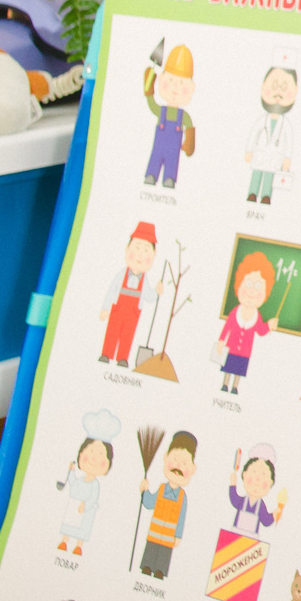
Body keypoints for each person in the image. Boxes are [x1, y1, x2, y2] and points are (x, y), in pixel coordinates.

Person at [56, 413, 118, 556]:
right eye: (90, 451)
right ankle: (64, 541)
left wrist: (86, 505)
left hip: (85, 509)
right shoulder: (80, 480)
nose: (94, 457)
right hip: (74, 504)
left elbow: (93, 498)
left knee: (82, 529)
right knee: (69, 525)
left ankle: (78, 546)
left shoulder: (94, 484)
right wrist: (71, 471)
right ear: (81, 454)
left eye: (101, 454)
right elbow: (72, 483)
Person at [138, 431, 197, 579]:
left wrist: (177, 535)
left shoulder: (182, 497)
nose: (179, 467)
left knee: (164, 554)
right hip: (154, 532)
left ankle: (160, 571)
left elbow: (181, 518)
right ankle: (147, 567)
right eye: (175, 459)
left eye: (184, 463)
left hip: (168, 536)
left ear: (193, 469)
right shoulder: (162, 489)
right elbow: (149, 503)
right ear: (165, 457)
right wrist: (144, 492)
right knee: (151, 550)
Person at [100, 224, 158, 367]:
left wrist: (157, 291)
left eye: (146, 250)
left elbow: (149, 297)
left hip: (133, 312)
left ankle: (123, 358)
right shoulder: (121, 275)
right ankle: (106, 354)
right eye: (137, 248)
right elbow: (112, 290)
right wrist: (105, 307)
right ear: (127, 249)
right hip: (118, 307)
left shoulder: (144, 280)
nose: (140, 254)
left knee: (128, 335)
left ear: (153, 256)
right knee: (112, 331)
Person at [217, 253, 276, 393]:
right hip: (231, 348)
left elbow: (261, 330)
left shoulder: (257, 316)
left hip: (244, 352)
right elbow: (227, 327)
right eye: (248, 283)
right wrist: (221, 341)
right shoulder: (235, 312)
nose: (252, 290)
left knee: (238, 370)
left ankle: (235, 387)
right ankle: (225, 384)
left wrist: (269, 325)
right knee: (229, 367)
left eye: (258, 285)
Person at [243, 60, 298, 206]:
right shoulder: (263, 119)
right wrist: (249, 151)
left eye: (284, 87)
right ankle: (252, 193)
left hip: (275, 156)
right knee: (257, 173)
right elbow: (254, 133)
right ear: (263, 88)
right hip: (260, 153)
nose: (278, 92)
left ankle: (266, 195)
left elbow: (289, 140)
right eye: (274, 86)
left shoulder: (285, 123)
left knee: (269, 175)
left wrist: (287, 158)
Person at [143, 42, 196, 188]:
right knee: (156, 157)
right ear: (161, 80)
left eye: (181, 83)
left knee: (172, 161)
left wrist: (189, 142)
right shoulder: (161, 111)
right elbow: (152, 105)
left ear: (191, 88)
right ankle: (151, 175)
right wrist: (148, 90)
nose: (175, 88)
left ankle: (169, 179)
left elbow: (190, 126)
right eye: (171, 80)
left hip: (174, 147)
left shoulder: (183, 116)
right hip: (159, 146)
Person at [224, 446, 284, 535]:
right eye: (254, 472)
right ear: (244, 474)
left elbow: (265, 520)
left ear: (270, 483)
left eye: (264, 474)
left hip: (252, 542)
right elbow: (234, 500)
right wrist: (233, 484)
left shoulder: (260, 506)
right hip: (235, 536)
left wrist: (275, 514)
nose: (258, 479)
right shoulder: (243, 501)